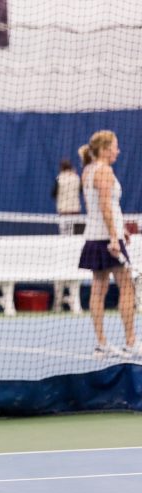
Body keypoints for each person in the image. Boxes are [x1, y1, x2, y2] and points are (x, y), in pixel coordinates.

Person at [77, 130, 139, 358]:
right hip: (106, 239)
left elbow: (104, 207)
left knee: (99, 288)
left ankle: (102, 344)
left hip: (96, 236)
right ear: (104, 149)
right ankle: (131, 342)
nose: (118, 151)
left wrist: (120, 229)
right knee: (127, 287)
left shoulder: (88, 170)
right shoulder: (103, 171)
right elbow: (104, 206)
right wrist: (114, 237)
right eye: (115, 146)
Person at [51, 158, 83, 235]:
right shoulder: (76, 178)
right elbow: (81, 190)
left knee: (64, 235)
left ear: (61, 167)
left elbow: (53, 194)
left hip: (63, 211)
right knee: (74, 236)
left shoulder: (59, 179)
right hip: (75, 211)